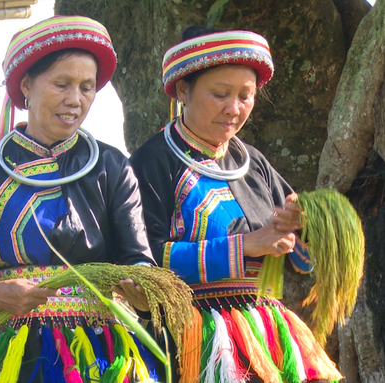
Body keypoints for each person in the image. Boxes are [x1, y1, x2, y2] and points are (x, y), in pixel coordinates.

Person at [0, 15, 160, 383]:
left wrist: (142, 289)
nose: (75, 100)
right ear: (27, 85)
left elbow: (137, 257)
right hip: (9, 353)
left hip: (98, 353)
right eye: (61, 84)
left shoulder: (111, 168)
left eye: (87, 87)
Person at [130, 27, 343, 383]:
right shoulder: (152, 162)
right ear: (183, 90)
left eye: (246, 96)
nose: (234, 109)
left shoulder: (253, 162)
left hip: (265, 333)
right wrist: (246, 245)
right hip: (194, 340)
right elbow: (145, 260)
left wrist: (298, 226)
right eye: (220, 94)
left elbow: (301, 262)